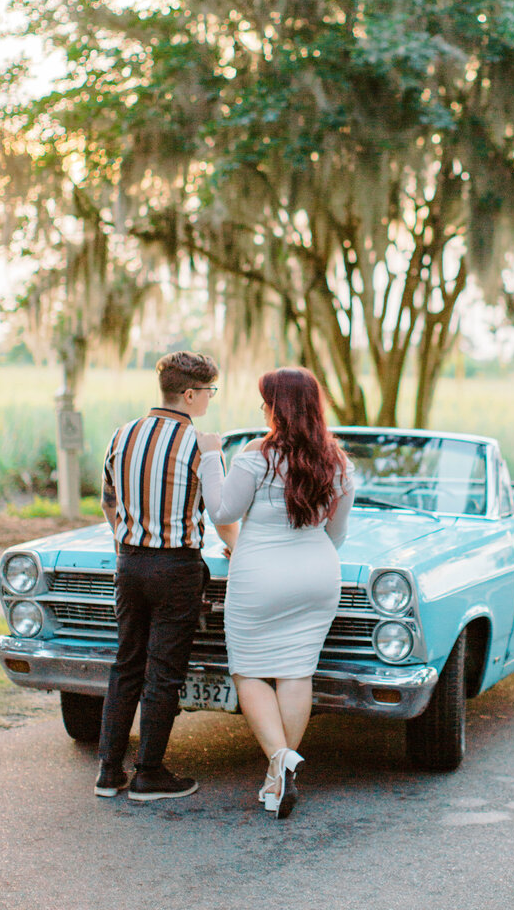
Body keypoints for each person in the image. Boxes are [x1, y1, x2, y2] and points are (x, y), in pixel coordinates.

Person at [200, 366, 355, 820]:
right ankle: (280, 774)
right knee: (296, 672)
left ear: (278, 407)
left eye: (266, 399)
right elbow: (337, 534)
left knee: (248, 672)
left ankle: (278, 759)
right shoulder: (339, 464)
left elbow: (223, 509)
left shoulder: (254, 454)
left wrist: (212, 456)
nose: (262, 407)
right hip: (318, 573)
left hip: (261, 576)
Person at [94, 351, 238, 801]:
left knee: (126, 664)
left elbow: (108, 501)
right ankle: (149, 774)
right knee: (164, 670)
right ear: (191, 394)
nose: (211, 399)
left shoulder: (123, 434)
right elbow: (221, 510)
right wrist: (239, 546)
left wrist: (129, 545)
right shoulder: (200, 443)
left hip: (130, 562)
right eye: (209, 392)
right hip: (176, 566)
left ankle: (108, 772)